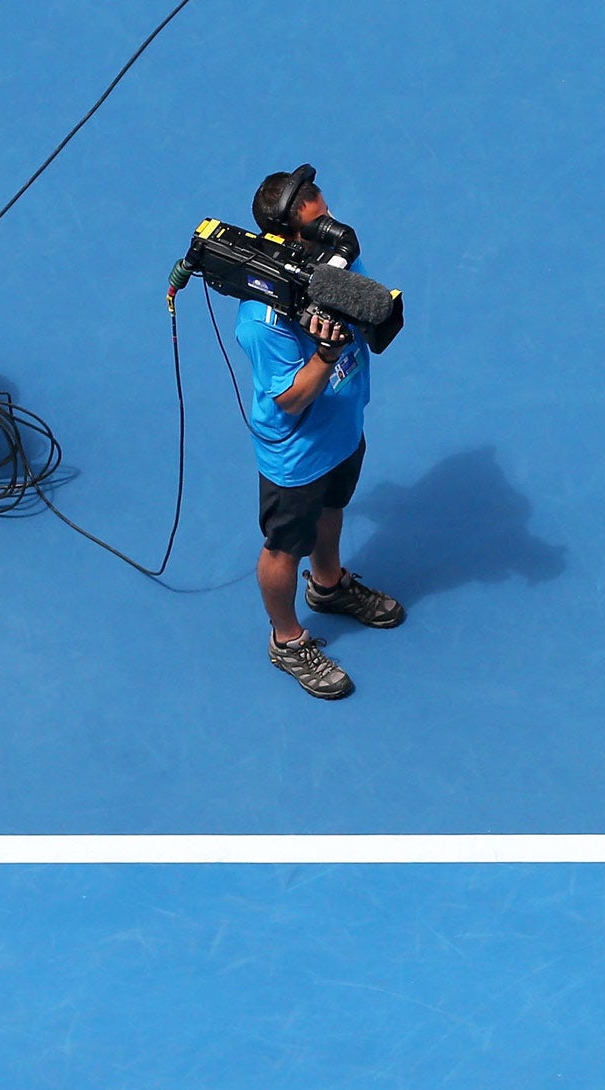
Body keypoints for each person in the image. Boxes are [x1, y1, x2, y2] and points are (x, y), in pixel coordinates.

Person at [234, 165, 405, 699]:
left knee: (333, 512)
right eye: (320, 225)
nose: (335, 231)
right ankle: (286, 640)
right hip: (298, 452)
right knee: (285, 546)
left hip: (343, 428)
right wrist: (327, 353)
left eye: (328, 215)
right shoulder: (261, 319)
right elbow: (289, 399)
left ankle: (328, 586)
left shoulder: (330, 263)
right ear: (287, 236)